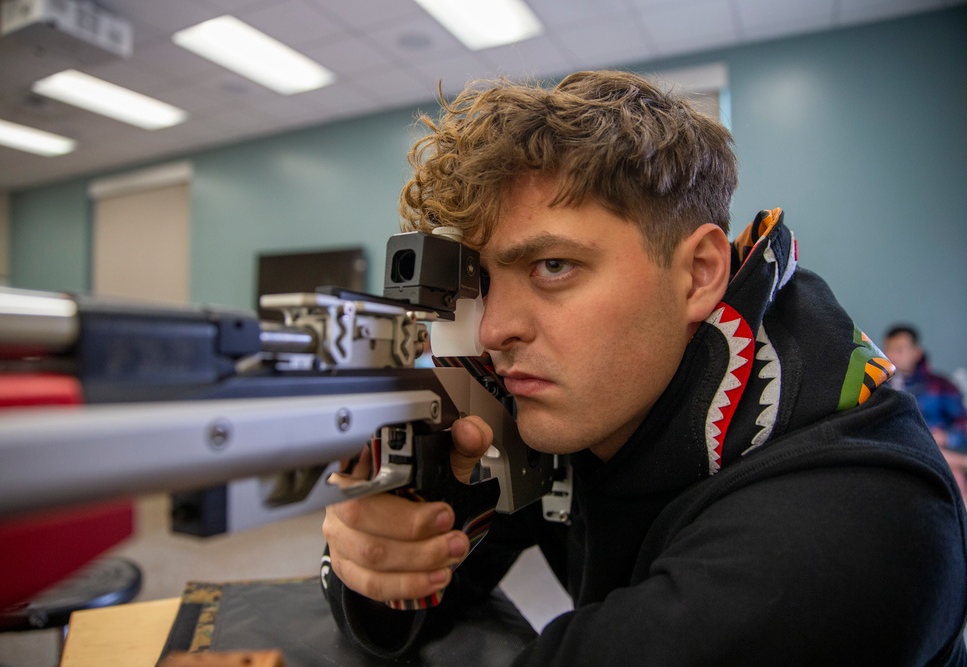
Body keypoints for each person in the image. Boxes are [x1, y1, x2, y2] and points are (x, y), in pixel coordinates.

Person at [320, 71, 967, 665]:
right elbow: (413, 608)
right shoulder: (578, 400)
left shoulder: (841, 528)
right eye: (484, 280)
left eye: (553, 266)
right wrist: (383, 554)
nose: (493, 330)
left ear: (698, 273)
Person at [884, 324, 967, 505]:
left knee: (956, 475)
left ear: (916, 352)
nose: (892, 355)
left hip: (936, 448)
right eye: (888, 349)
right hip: (900, 447)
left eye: (899, 349)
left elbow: (963, 425)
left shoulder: (941, 385)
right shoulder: (881, 387)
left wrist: (946, 437)